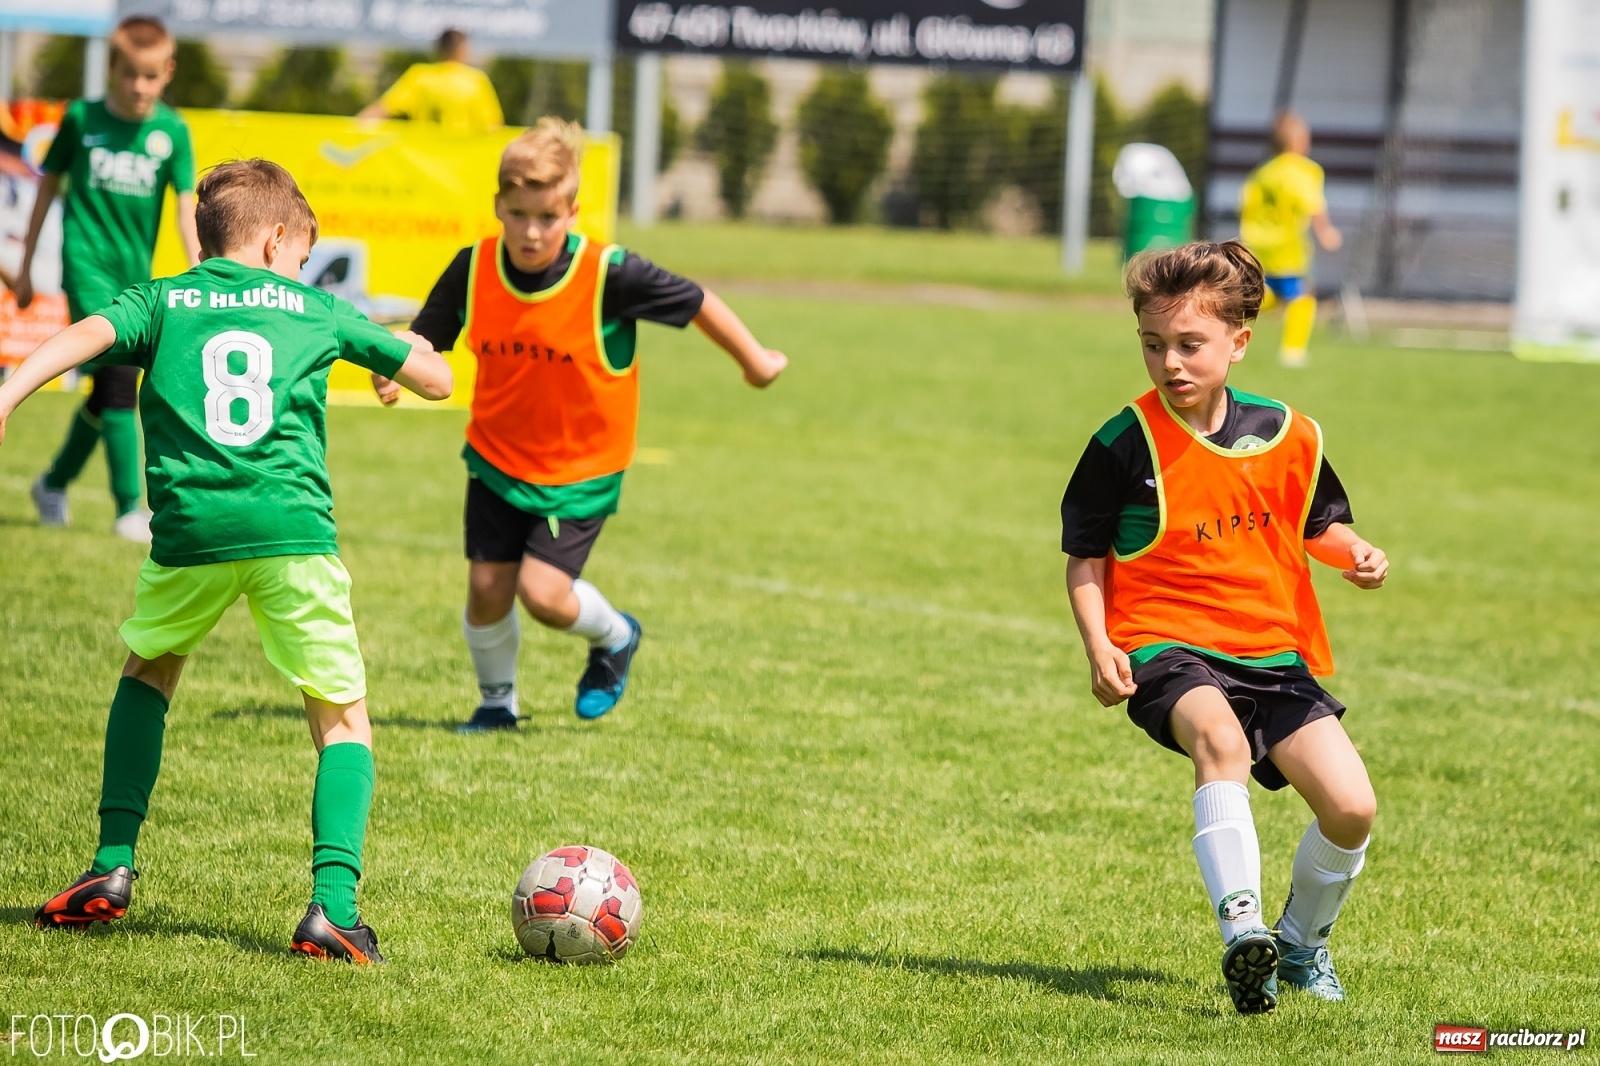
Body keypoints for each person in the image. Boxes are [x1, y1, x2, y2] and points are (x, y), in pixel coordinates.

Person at [0, 159, 453, 963]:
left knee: (148, 673)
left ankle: (110, 869)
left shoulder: (164, 298)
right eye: (303, 255)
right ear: (278, 240)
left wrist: (7, 397)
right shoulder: (314, 307)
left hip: (188, 531)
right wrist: (408, 358)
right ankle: (334, 909)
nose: (303, 269)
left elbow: (81, 339)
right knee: (342, 717)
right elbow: (436, 378)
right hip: (292, 532)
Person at [1060, 241, 1387, 1014]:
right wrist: (1100, 643)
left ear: (1238, 342)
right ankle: (1243, 929)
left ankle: (1302, 945)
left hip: (1273, 653)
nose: (1169, 363)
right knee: (1221, 743)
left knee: (1352, 806)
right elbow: (1085, 556)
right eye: (1152, 344)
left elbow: (1318, 523)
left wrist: (1356, 554)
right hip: (1165, 644)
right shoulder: (1123, 442)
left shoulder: (1291, 435)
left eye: (1189, 344)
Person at [401, 118, 787, 733]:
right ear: (498, 204)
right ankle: (496, 707)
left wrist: (757, 361)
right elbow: (426, 338)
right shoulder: (473, 267)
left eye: (547, 217)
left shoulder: (610, 274)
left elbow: (697, 302)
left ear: (573, 211)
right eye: (519, 214)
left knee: (545, 594)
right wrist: (393, 364)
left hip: (580, 467)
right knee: (486, 586)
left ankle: (616, 636)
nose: (532, 232)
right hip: (498, 454)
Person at [9, 16, 201, 542]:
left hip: (135, 278)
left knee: (108, 390)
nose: (139, 87)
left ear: (167, 73)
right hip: (86, 269)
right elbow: (46, 191)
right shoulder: (81, 119)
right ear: (112, 70)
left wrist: (206, 273)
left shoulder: (173, 132)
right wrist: (25, 269)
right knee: (118, 381)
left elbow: (187, 210)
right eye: (129, 75)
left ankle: (53, 482)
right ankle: (127, 510)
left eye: (150, 76)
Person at [1238, 112, 1342, 369]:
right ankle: (1293, 352)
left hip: (1259, 244)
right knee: (1302, 297)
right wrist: (1326, 232)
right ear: (1298, 142)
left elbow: (1247, 205)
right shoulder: (1304, 170)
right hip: (1287, 246)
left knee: (1268, 292)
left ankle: (1239, 307)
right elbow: (1312, 203)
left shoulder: (1262, 172)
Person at [358, 29, 504, 136]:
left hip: (424, 165)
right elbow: (494, 128)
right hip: (460, 167)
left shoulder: (420, 76)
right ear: (462, 50)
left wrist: (347, 133)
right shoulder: (476, 80)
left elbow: (381, 110)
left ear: (438, 49)